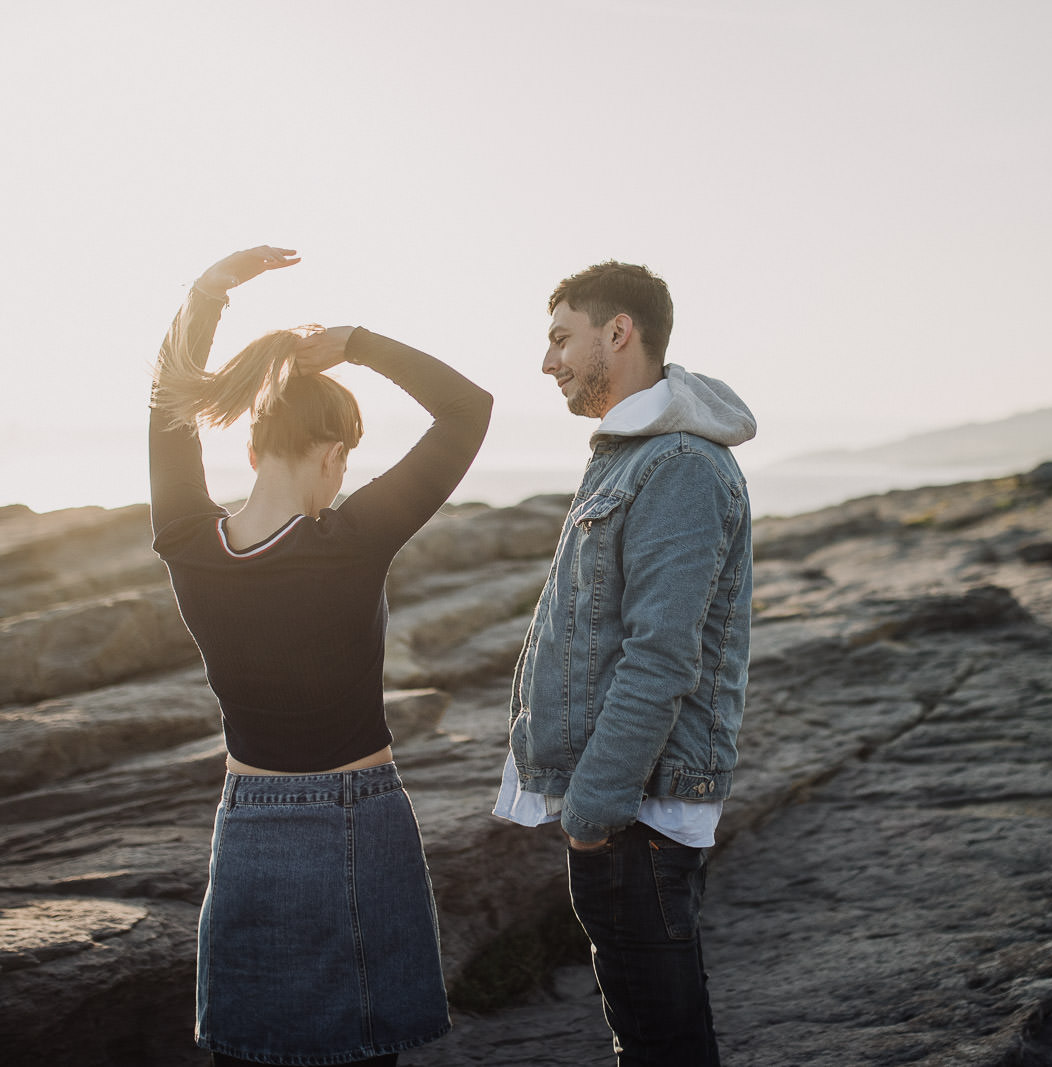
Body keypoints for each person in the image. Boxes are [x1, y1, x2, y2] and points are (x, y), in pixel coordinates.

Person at [149, 245, 492, 1067]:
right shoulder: (352, 541)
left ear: (253, 448)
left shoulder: (189, 543)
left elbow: (167, 403)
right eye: (346, 461)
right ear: (335, 454)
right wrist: (355, 343)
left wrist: (207, 295)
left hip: (246, 825)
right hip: (358, 815)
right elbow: (467, 409)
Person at [494, 260, 756, 1066]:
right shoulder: (630, 453)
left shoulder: (675, 465)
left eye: (561, 338)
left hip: (634, 814)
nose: (548, 362)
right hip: (623, 810)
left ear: (619, 332)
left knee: (661, 1046)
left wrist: (592, 811)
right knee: (651, 1037)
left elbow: (659, 658)